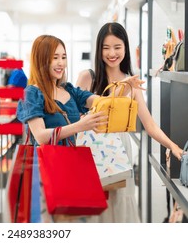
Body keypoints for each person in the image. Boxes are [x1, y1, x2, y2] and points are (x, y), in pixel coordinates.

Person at [76, 22, 184, 222]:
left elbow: (149, 125)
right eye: (106, 48)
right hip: (90, 153)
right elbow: (73, 119)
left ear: (125, 47)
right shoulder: (87, 78)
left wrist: (172, 146)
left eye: (117, 47)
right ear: (99, 49)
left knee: (120, 207)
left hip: (119, 152)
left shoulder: (131, 82)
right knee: (95, 210)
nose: (112, 53)